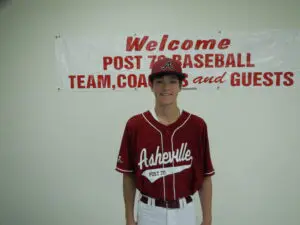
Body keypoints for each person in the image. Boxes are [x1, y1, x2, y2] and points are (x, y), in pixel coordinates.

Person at [115, 57, 215, 225]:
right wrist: (129, 218)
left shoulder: (197, 125)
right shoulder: (136, 125)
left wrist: (208, 219)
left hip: (185, 211)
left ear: (181, 86)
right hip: (149, 211)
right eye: (160, 81)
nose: (166, 87)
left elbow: (205, 176)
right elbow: (129, 175)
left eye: (172, 81)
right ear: (151, 85)